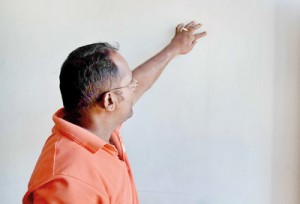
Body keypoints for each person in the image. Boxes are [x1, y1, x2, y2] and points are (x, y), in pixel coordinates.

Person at [23, 21, 207, 204]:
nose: (134, 87)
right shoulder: (68, 183)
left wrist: (173, 49)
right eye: (129, 85)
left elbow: (139, 82)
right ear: (109, 101)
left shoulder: (95, 125)